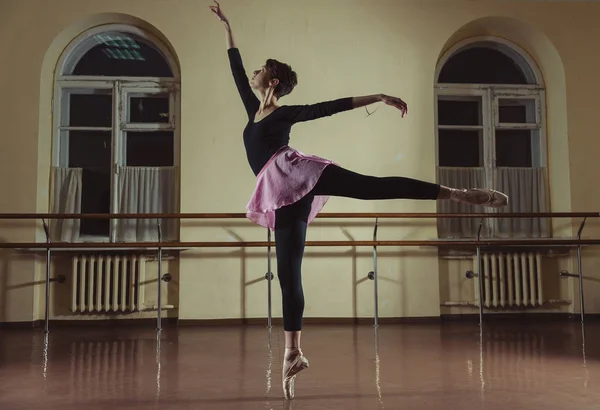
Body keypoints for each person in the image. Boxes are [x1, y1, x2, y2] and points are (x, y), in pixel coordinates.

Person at [209, 0, 508, 400]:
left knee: (372, 186)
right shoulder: (253, 112)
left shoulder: (283, 114)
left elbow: (328, 108)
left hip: (299, 173)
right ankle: (292, 354)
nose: (253, 73)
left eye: (261, 69)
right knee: (287, 273)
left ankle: (456, 193)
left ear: (273, 82)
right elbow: (234, 67)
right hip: (281, 196)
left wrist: (379, 97)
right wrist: (227, 26)